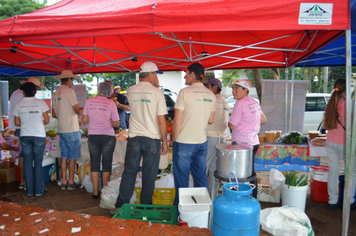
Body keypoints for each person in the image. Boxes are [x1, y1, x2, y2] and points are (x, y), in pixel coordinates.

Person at [111, 61, 168, 214]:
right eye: (155, 73)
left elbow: (138, 106)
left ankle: (120, 205)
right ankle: (145, 207)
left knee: (129, 172)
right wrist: (164, 141)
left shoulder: (130, 89)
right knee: (149, 174)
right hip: (151, 138)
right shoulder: (157, 93)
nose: (156, 76)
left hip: (134, 137)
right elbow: (161, 120)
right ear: (150, 74)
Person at [172, 62, 216, 206]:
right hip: (201, 142)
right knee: (201, 178)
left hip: (184, 142)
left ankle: (181, 214)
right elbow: (211, 120)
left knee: (182, 181)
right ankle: (203, 211)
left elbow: (177, 121)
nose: (185, 76)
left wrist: (173, 140)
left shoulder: (184, 92)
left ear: (192, 74)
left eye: (186, 73)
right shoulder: (211, 94)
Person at [228, 79, 266, 198]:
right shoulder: (254, 101)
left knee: (237, 172)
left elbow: (232, 125)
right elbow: (263, 119)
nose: (233, 92)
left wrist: (237, 124)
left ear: (245, 90)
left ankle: (237, 197)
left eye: (237, 89)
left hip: (241, 144)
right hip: (254, 142)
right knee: (250, 171)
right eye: (233, 89)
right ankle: (252, 197)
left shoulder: (240, 104)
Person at [82, 82, 120, 199]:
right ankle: (104, 191)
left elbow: (84, 120)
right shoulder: (111, 103)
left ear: (99, 90)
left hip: (93, 135)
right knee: (106, 164)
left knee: (95, 164)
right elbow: (116, 124)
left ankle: (95, 192)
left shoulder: (89, 101)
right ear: (109, 91)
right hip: (108, 136)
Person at [323, 79, 356, 211]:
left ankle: (332, 201)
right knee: (351, 172)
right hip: (345, 142)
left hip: (330, 142)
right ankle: (350, 200)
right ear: (346, 91)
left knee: (333, 171)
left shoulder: (331, 103)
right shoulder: (350, 105)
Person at [8, 77, 45, 190]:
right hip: (30, 129)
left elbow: (17, 118)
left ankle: (26, 185)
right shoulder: (26, 97)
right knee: (31, 159)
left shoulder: (15, 93)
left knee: (25, 157)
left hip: (21, 130)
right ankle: (29, 184)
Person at [52, 70, 83, 191]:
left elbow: (54, 114)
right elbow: (77, 110)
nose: (72, 82)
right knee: (72, 157)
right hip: (71, 128)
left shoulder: (55, 93)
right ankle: (70, 182)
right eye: (72, 80)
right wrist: (82, 109)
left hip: (61, 129)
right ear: (68, 79)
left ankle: (63, 181)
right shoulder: (69, 91)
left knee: (63, 156)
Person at [205, 78, 230, 198]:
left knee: (203, 168)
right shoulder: (225, 102)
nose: (206, 89)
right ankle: (212, 197)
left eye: (208, 86)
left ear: (214, 88)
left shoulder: (211, 101)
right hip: (222, 139)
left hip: (210, 137)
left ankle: (201, 196)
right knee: (214, 170)